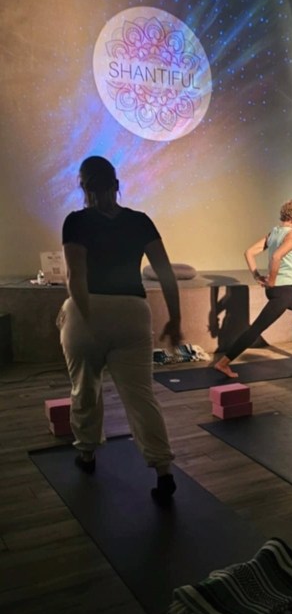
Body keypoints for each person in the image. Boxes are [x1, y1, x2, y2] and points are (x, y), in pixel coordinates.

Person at [59, 155, 182, 504]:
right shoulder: (140, 221)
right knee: (141, 396)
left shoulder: (76, 221)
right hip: (132, 313)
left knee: (85, 388)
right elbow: (166, 273)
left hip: (89, 310)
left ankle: (86, 454)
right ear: (116, 184)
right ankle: (163, 470)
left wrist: (87, 319)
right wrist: (175, 319)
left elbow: (75, 277)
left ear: (83, 186)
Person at [214, 199, 292, 378]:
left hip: (281, 290)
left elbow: (249, 252)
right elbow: (276, 257)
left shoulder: (274, 233)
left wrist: (256, 276)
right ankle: (223, 363)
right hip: (282, 290)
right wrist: (271, 281)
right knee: (256, 329)